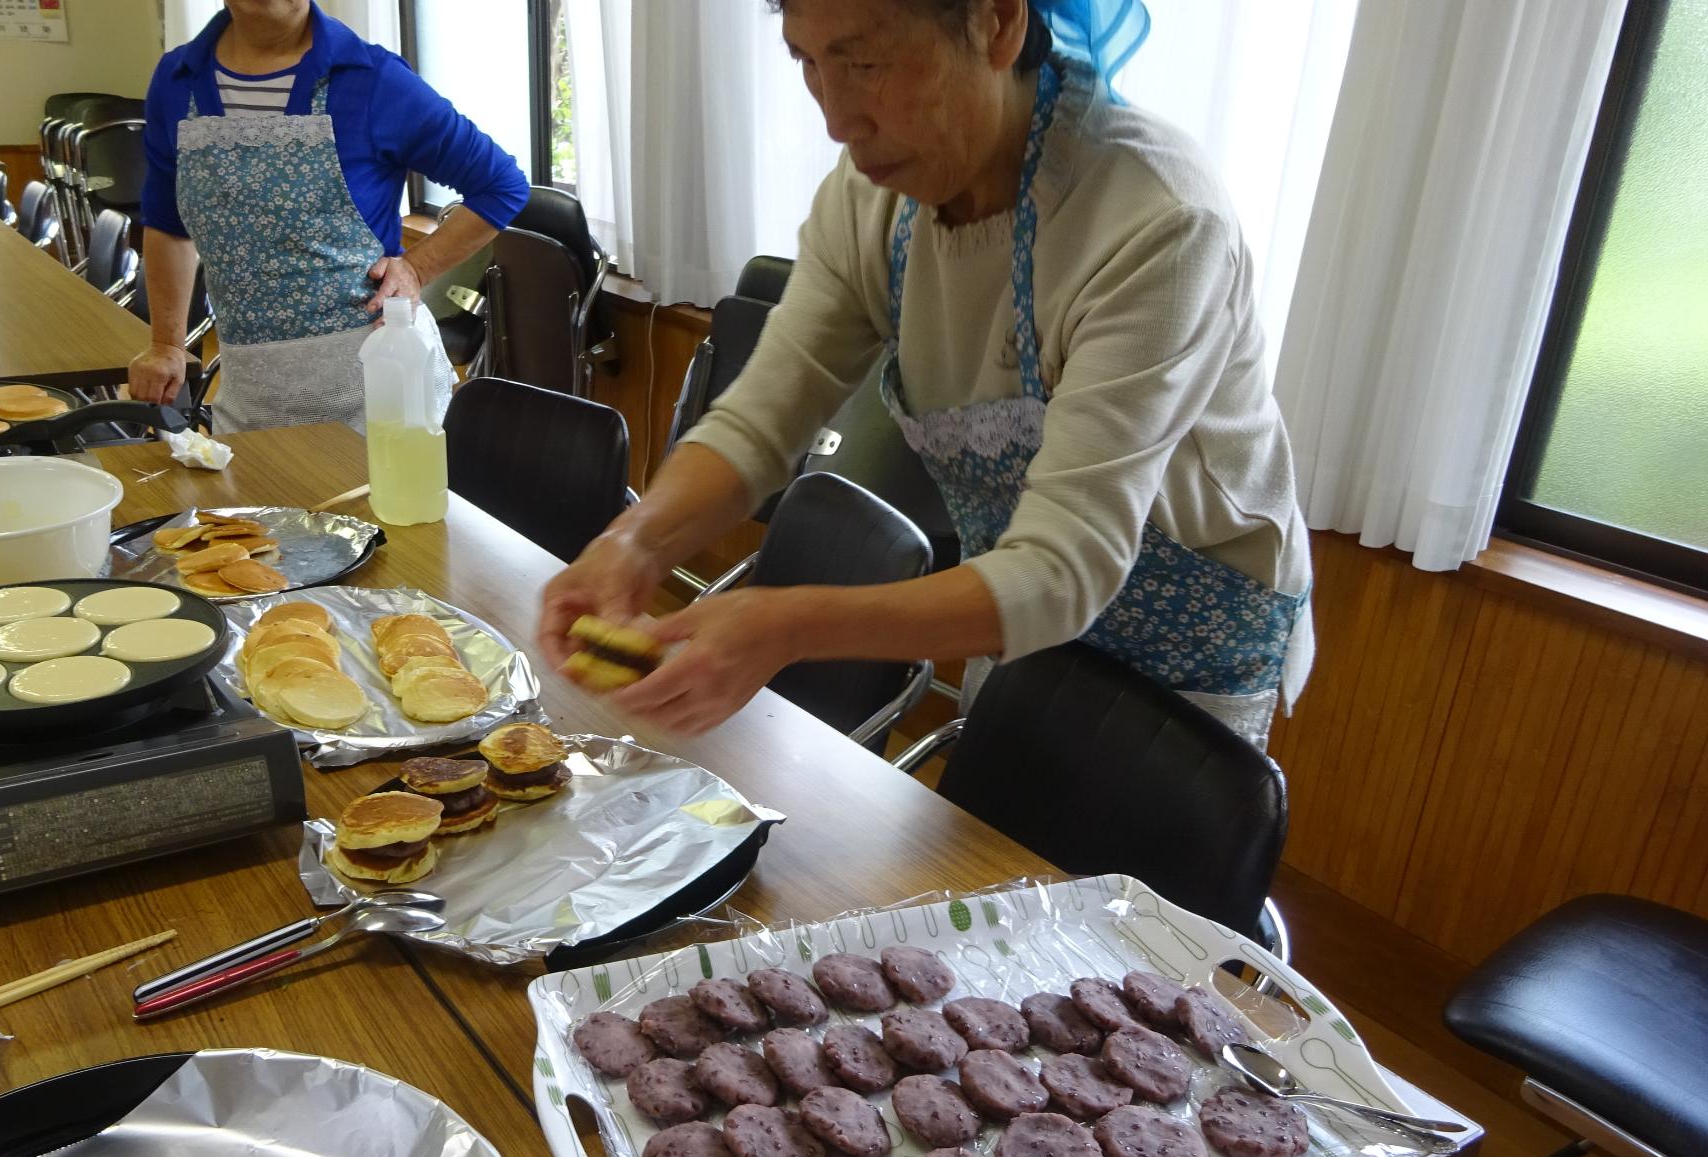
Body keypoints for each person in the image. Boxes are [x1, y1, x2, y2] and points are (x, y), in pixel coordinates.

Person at [540, 0, 1311, 748]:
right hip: (1020, 605)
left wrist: (786, 625)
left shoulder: (1158, 224)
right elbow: (761, 419)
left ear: (998, 21)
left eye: (866, 63)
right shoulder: (874, 199)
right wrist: (635, 544)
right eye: (808, 61)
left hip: (1185, 654)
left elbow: (1065, 565)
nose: (838, 120)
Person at [128, 0, 528, 431]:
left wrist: (416, 267)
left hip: (377, 388)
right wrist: (166, 344)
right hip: (251, 391)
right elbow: (168, 226)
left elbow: (501, 184)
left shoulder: (372, 78)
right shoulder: (176, 82)